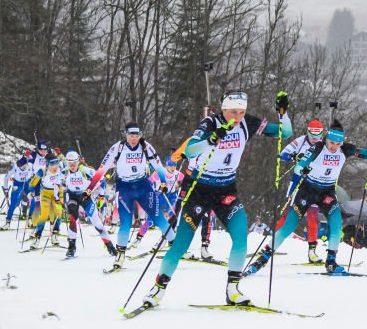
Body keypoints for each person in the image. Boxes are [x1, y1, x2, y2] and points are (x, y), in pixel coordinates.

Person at [141, 90, 292, 308]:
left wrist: (283, 112)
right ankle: (157, 290)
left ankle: (233, 290)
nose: (237, 117)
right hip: (199, 189)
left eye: (241, 112)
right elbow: (190, 150)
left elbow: (284, 133)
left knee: (241, 236)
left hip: (226, 189)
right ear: (223, 108)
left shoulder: (247, 123)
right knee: (181, 244)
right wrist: (210, 140)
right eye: (232, 112)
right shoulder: (210, 123)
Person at [245, 119, 367, 276]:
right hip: (307, 191)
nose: (333, 146)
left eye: (337, 143)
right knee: (288, 226)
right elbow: (299, 167)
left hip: (327, 192)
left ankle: (331, 262)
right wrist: (303, 169)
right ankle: (263, 258)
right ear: (326, 138)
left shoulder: (346, 149)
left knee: (336, 224)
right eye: (331, 142)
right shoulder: (317, 148)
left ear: (341, 142)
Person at [88, 123, 173, 270]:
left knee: (159, 218)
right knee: (125, 223)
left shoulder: (146, 146)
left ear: (140, 135)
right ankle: (120, 255)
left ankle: (175, 246)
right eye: (130, 135)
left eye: (136, 136)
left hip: (143, 186)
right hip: (124, 188)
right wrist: (90, 188)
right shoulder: (118, 147)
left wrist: (163, 183)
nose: (133, 139)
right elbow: (102, 168)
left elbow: (158, 166)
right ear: (126, 135)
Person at [280, 118, 326, 262]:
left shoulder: (325, 146)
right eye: (312, 136)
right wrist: (294, 156)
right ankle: (269, 246)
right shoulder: (301, 141)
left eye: (318, 136)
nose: (315, 139)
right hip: (297, 183)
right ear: (307, 132)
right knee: (286, 213)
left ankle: (312, 252)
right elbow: (282, 154)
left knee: (312, 217)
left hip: (314, 186)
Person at [61, 151, 116, 258]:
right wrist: (59, 198)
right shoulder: (64, 172)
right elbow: (59, 185)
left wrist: (101, 195)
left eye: (74, 163)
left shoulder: (85, 170)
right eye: (69, 164)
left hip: (85, 197)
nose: (72, 166)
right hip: (72, 198)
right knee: (73, 219)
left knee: (97, 223)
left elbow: (101, 179)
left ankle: (110, 247)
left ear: (78, 162)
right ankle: (71, 247)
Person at [26, 156, 64, 250]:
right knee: (44, 215)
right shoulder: (42, 171)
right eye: (52, 164)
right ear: (47, 163)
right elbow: (33, 182)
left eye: (56, 163)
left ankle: (54, 235)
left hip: (58, 193)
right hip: (46, 193)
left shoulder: (61, 168)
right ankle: (37, 238)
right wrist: (31, 191)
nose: (55, 166)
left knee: (58, 213)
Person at [0, 152, 32, 230]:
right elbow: (6, 178)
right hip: (17, 185)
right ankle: (7, 222)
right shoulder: (15, 167)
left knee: (33, 199)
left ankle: (30, 219)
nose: (23, 167)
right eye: (21, 166)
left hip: (27, 183)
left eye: (24, 165)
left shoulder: (30, 166)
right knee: (13, 203)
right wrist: (6, 189)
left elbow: (35, 175)